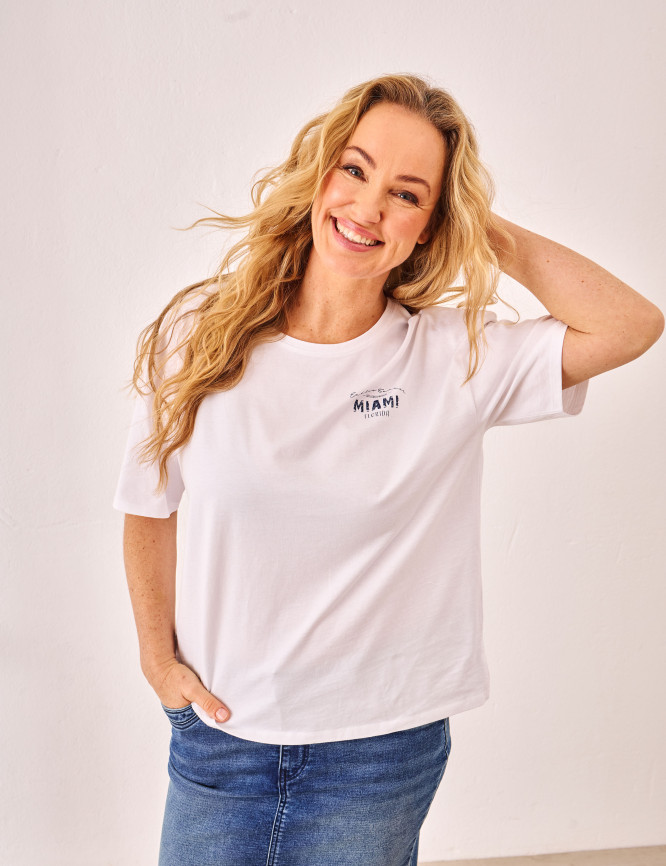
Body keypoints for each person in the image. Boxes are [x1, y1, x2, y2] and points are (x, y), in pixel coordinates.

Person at [114, 74, 663, 866]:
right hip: (222, 734)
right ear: (320, 174)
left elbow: (631, 325)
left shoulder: (454, 357)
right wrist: (158, 662)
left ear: (432, 225)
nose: (368, 208)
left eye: (408, 194)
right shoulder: (199, 335)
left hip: (376, 756)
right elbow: (148, 504)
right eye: (356, 169)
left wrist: (487, 231)